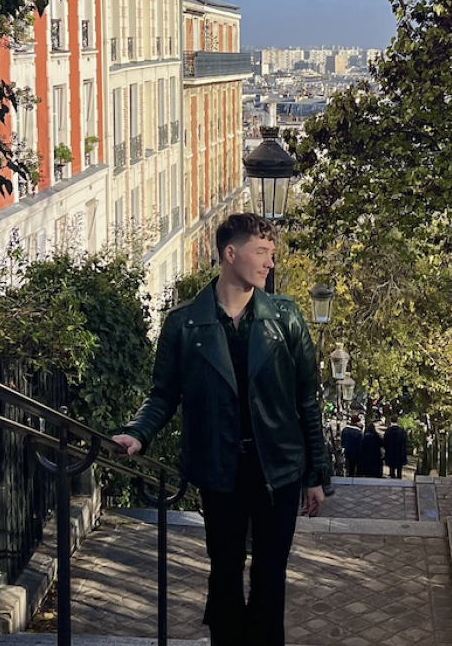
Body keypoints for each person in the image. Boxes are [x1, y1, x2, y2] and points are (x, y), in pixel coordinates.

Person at [111, 213, 328, 646]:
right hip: (219, 469)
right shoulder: (184, 323)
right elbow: (164, 394)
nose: (270, 263)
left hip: (279, 470)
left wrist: (315, 475)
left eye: (271, 255)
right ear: (231, 254)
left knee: (269, 575)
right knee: (225, 570)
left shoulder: (285, 318)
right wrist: (138, 432)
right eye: (262, 253)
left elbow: (307, 398)